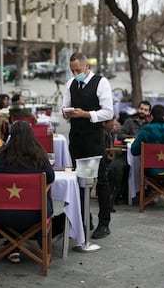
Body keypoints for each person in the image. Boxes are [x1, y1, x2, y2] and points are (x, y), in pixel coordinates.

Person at [0, 121, 55, 263]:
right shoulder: (39, 157)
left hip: (0, 215)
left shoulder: (0, 158)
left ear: (11, 136)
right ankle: (29, 242)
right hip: (35, 215)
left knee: (10, 205)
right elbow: (50, 178)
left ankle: (12, 244)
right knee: (38, 202)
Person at [62, 52, 114, 239]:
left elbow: (108, 112)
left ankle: (104, 222)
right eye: (72, 70)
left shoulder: (101, 83)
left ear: (86, 66)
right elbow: (65, 107)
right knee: (79, 180)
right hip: (76, 137)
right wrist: (67, 113)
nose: (75, 74)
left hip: (94, 137)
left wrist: (86, 114)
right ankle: (85, 218)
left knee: (100, 179)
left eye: (78, 70)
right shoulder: (70, 84)